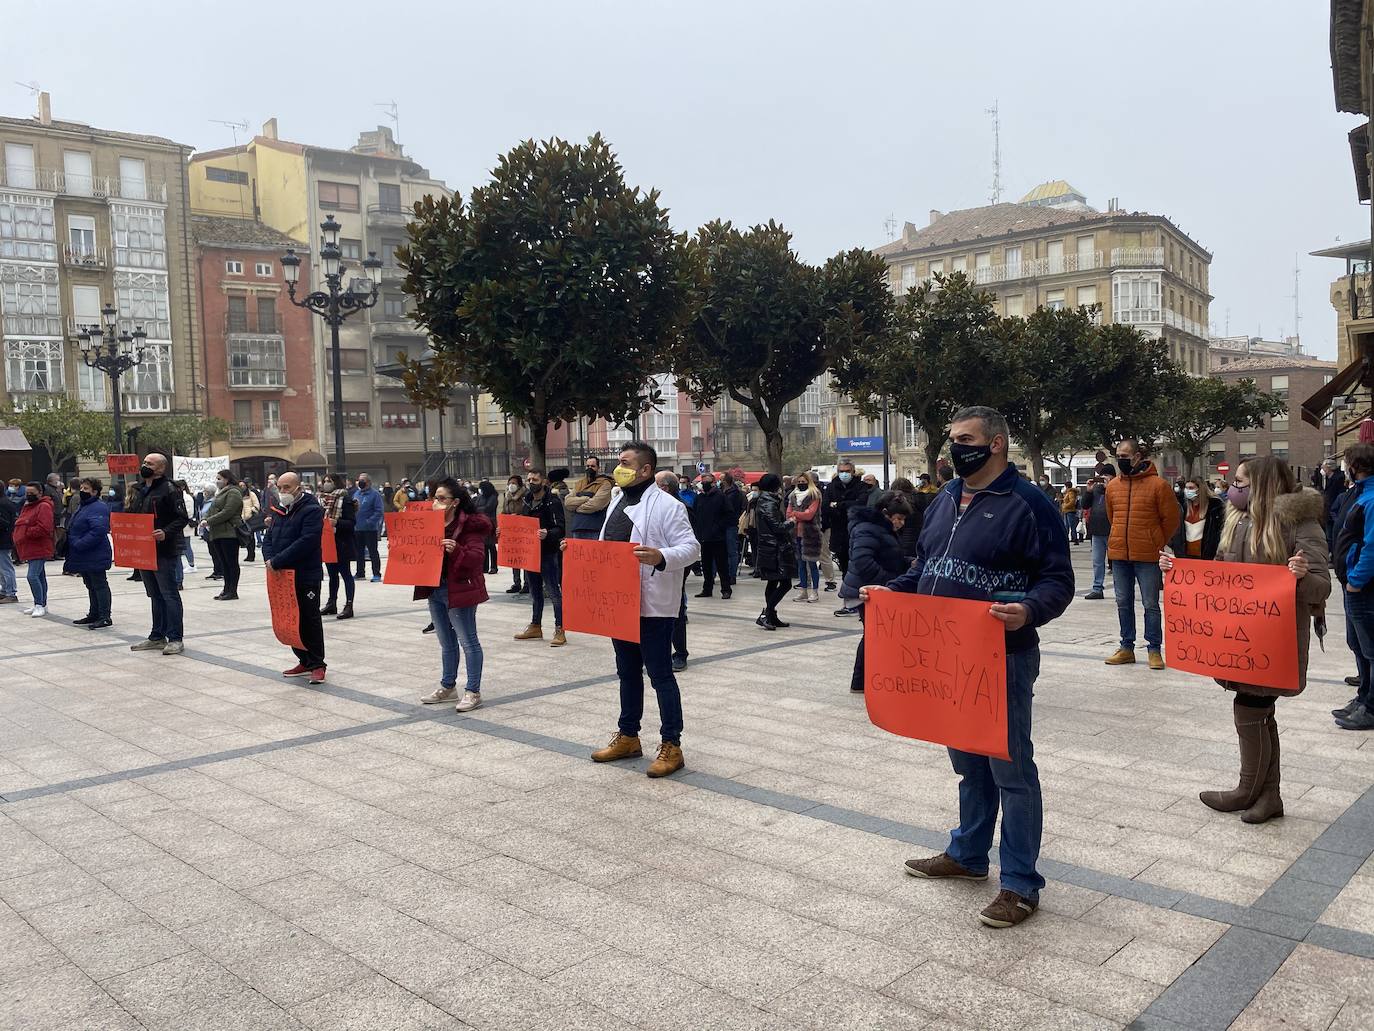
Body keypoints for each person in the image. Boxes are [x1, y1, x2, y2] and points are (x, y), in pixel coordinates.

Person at [868, 406, 1072, 928]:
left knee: (1012, 769)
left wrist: (1028, 610)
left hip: (1002, 656)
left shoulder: (1029, 504)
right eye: (954, 440)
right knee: (968, 764)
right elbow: (924, 568)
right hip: (949, 658)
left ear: (996, 444)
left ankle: (1021, 884)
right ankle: (967, 855)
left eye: (965, 439)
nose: (954, 448)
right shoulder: (942, 502)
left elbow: (1057, 580)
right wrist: (890, 594)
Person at [1161, 457, 1329, 820]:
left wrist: (1300, 576)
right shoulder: (1237, 520)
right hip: (1240, 639)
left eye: (1240, 482)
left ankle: (1247, 789)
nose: (1232, 489)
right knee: (1260, 712)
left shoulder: (1299, 522)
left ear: (1262, 486)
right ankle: (1269, 796)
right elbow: (1220, 573)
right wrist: (1178, 572)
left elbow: (1321, 587)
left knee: (1250, 708)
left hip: (1272, 640)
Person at [580, 442, 700, 778]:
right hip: (619, 602)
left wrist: (661, 557)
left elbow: (691, 548)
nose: (618, 468)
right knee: (627, 671)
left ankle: (672, 745)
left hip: (652, 605)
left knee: (660, 674)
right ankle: (629, 735)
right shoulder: (617, 500)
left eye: (624, 463)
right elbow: (609, 546)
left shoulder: (668, 506)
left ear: (645, 469)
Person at [1104, 439, 1180, 670]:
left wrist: (1155, 541)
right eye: (1118, 455)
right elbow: (1112, 516)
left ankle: (1154, 649)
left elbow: (1171, 519)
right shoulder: (1113, 486)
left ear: (1138, 456)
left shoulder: (1158, 485)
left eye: (1125, 455)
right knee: (1123, 602)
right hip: (1119, 554)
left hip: (1147, 555)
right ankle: (1126, 647)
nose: (1121, 459)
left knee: (1150, 604)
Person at [418, 478, 492, 711]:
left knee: (468, 641)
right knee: (446, 641)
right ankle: (448, 685)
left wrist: (457, 549)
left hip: (460, 588)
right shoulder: (428, 523)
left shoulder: (470, 525)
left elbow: (477, 558)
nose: (436, 503)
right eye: (434, 498)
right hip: (435, 587)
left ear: (455, 502)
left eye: (441, 499)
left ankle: (473, 690)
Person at [843, 491, 912, 692]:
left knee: (873, 634)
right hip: (867, 591)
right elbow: (863, 561)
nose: (901, 523)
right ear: (885, 513)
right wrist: (890, 583)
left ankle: (864, 680)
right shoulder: (868, 529)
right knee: (872, 635)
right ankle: (860, 681)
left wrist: (909, 563)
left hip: (874, 588)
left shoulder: (882, 530)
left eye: (903, 519)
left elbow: (889, 557)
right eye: (898, 518)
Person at [263, 472, 327, 683]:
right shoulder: (280, 510)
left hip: (305, 574)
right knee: (290, 618)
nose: (282, 492)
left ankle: (317, 664)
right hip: (282, 575)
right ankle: (304, 660)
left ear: (299, 487)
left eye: (287, 487)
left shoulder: (311, 510)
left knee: (309, 618)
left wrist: (278, 561)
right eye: (280, 487)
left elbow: (307, 541)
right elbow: (269, 538)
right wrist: (269, 559)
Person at [129, 455, 188, 655]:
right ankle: (157, 636)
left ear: (161, 468)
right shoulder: (138, 490)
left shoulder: (170, 489)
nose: (145, 466)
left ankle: (175, 638)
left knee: (169, 594)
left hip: (164, 550)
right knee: (154, 594)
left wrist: (165, 532)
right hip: (144, 550)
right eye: (144, 463)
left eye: (150, 464)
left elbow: (182, 518)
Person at [1335, 444, 1374, 730]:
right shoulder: (1360, 493)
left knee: (1370, 648)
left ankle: (1371, 707)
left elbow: (1372, 546)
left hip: (1363, 586)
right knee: (1358, 645)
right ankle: (1363, 697)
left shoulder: (1371, 498)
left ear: (1355, 465)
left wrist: (1356, 582)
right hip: (1353, 581)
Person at [512, 468, 566, 646]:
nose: (531, 482)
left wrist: (548, 533)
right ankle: (536, 625)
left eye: (535, 479)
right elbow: (523, 523)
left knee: (553, 592)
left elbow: (561, 528)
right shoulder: (527, 500)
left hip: (547, 553)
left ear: (543, 481)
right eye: (529, 479)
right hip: (530, 553)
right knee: (535, 592)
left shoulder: (552, 501)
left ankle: (560, 628)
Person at [655, 471, 692, 672]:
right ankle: (660, 651)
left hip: (675, 564)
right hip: (654, 565)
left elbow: (690, 543)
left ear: (665, 487)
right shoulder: (653, 507)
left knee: (676, 610)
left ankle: (680, 653)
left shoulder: (680, 508)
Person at [64, 477, 113, 628]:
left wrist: (79, 543)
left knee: (99, 584)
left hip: (94, 552)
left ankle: (104, 616)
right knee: (90, 584)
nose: (82, 491)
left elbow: (98, 530)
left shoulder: (98, 507)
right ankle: (94, 613)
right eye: (82, 488)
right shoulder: (83, 505)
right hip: (83, 553)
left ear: (95, 491)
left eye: (86, 489)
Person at [752, 473, 796, 630]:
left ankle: (771, 615)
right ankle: (766, 613)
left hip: (769, 547)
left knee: (773, 581)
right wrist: (791, 522)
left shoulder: (765, 501)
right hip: (775, 548)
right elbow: (777, 527)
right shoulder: (768, 503)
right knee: (785, 583)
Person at [319, 474, 357, 620]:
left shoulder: (344, 499)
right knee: (332, 575)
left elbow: (351, 523)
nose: (327, 483)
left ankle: (349, 605)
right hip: (328, 542)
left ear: (337, 483)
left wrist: (337, 523)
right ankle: (331, 602)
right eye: (325, 481)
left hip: (342, 543)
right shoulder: (322, 500)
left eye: (330, 481)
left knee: (346, 574)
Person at [201, 471, 243, 601]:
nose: (217, 481)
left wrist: (209, 521)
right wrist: (205, 518)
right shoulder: (221, 492)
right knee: (224, 563)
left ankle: (232, 591)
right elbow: (212, 508)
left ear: (227, 479)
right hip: (217, 532)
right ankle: (226, 589)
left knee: (231, 563)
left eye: (219, 478)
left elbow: (228, 511)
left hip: (229, 533)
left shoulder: (234, 492)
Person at [691, 473, 734, 599]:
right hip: (704, 537)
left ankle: (726, 589)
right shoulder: (699, 498)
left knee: (722, 565)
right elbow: (694, 515)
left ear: (713, 483)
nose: (703, 484)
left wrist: (718, 527)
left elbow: (729, 515)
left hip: (718, 537)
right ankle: (707, 588)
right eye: (702, 481)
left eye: (706, 481)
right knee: (706, 565)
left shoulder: (720, 497)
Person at [14, 483, 54, 616]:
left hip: (38, 546)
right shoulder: (28, 506)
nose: (29, 495)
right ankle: (42, 603)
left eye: (32, 493)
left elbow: (44, 527)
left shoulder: (43, 506)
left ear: (40, 493)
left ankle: (39, 604)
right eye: (27, 493)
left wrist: (26, 532)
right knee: (40, 576)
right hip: (30, 547)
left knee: (32, 576)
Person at [824, 460, 868, 576]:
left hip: (855, 531)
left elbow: (861, 503)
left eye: (847, 471)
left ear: (853, 472)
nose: (844, 474)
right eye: (841, 471)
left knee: (856, 567)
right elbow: (825, 507)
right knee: (843, 566)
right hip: (838, 532)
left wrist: (838, 504)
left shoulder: (861, 486)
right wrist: (847, 505)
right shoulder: (831, 487)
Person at [1164, 477, 1223, 561]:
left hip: (1207, 556)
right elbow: (1174, 528)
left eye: (1191, 488)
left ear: (1200, 489)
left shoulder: (1215, 507)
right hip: (1184, 555)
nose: (1187, 491)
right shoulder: (1182, 507)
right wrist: (1174, 545)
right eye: (1186, 488)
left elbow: (1220, 531)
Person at [787, 471, 823, 603]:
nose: (801, 484)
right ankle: (803, 590)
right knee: (800, 564)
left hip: (810, 533)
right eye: (799, 482)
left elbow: (810, 514)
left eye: (804, 482)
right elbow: (788, 514)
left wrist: (796, 514)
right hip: (796, 533)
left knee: (812, 564)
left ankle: (815, 591)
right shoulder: (793, 496)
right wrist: (799, 514)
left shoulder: (814, 495)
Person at [564, 456, 614, 541]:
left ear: (598, 468)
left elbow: (596, 505)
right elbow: (568, 502)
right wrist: (586, 499)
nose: (589, 468)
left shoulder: (605, 483)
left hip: (595, 528)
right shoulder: (580, 483)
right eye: (588, 466)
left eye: (593, 466)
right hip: (578, 527)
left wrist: (576, 507)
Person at [1313, 458, 1348, 557]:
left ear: (1328, 468)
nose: (1322, 470)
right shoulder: (1329, 479)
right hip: (1329, 511)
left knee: (1332, 535)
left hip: (1334, 511)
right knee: (1329, 535)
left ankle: (1333, 555)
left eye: (1323, 467)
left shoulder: (1338, 479)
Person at [352, 474, 383, 583]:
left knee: (372, 551)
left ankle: (376, 573)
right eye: (359, 480)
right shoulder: (357, 493)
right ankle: (360, 572)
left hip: (370, 529)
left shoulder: (375, 495)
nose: (360, 482)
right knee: (359, 552)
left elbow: (379, 511)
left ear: (368, 482)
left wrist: (370, 521)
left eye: (363, 480)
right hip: (357, 528)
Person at [1085, 478, 1110, 599]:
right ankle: (1097, 588)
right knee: (1097, 561)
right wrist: (1089, 491)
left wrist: (1110, 487)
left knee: (1118, 563)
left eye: (1107, 476)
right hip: (1096, 531)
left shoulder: (1116, 489)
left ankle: (1121, 590)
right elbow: (1084, 505)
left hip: (1112, 532)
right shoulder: (1095, 491)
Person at [475, 480, 499, 573]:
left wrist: (479, 509)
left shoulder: (493, 497)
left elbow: (488, 508)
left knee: (491, 546)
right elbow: (475, 506)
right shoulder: (480, 497)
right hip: (481, 523)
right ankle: (484, 566)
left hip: (490, 523)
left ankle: (494, 566)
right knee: (484, 546)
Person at [0, 486, 16, 604]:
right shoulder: (5, 501)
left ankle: (11, 593)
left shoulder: (3, 503)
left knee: (6, 567)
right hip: (3, 539)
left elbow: (6, 523)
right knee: (2, 568)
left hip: (3, 540)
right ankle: (5, 590)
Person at [240, 480, 260, 562]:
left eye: (243, 485)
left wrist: (252, 510)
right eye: (240, 485)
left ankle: (251, 555)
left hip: (250, 518)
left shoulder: (251, 494)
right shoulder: (238, 495)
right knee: (245, 537)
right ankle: (249, 554)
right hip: (241, 518)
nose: (241, 487)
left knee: (251, 537)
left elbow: (256, 504)